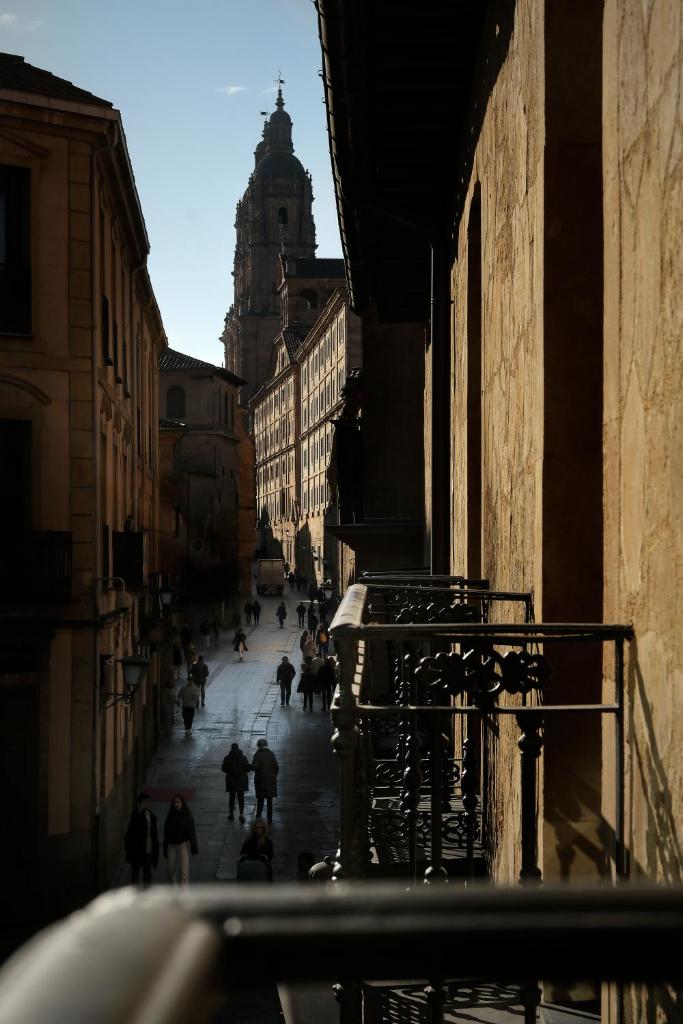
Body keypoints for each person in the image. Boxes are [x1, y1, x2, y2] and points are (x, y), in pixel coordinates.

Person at [124, 792, 159, 887]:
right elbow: (132, 828)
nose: (146, 804)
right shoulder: (135, 814)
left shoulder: (150, 814)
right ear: (139, 803)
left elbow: (153, 833)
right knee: (135, 871)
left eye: (148, 802)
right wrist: (139, 810)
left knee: (147, 871)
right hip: (137, 849)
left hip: (148, 848)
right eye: (144, 802)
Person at [163, 794, 198, 885]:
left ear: (182, 803)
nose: (176, 804)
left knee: (184, 872)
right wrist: (165, 848)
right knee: (170, 870)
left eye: (178, 802)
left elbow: (192, 833)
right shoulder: (170, 816)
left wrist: (194, 847)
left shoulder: (187, 816)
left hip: (183, 845)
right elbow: (166, 832)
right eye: (174, 802)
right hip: (171, 846)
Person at [221, 743, 251, 822]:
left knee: (231, 798)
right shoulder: (243, 758)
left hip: (231, 781)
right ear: (238, 748)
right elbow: (247, 769)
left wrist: (229, 772)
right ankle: (241, 814)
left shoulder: (227, 758)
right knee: (241, 798)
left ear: (231, 749)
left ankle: (231, 814)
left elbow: (223, 768)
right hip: (241, 781)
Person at [252, 738, 279, 821]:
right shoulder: (271, 754)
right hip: (271, 781)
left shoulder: (258, 754)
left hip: (261, 781)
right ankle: (270, 818)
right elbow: (276, 767)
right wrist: (273, 776)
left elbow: (254, 767)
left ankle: (258, 816)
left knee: (260, 800)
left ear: (259, 745)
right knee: (269, 801)